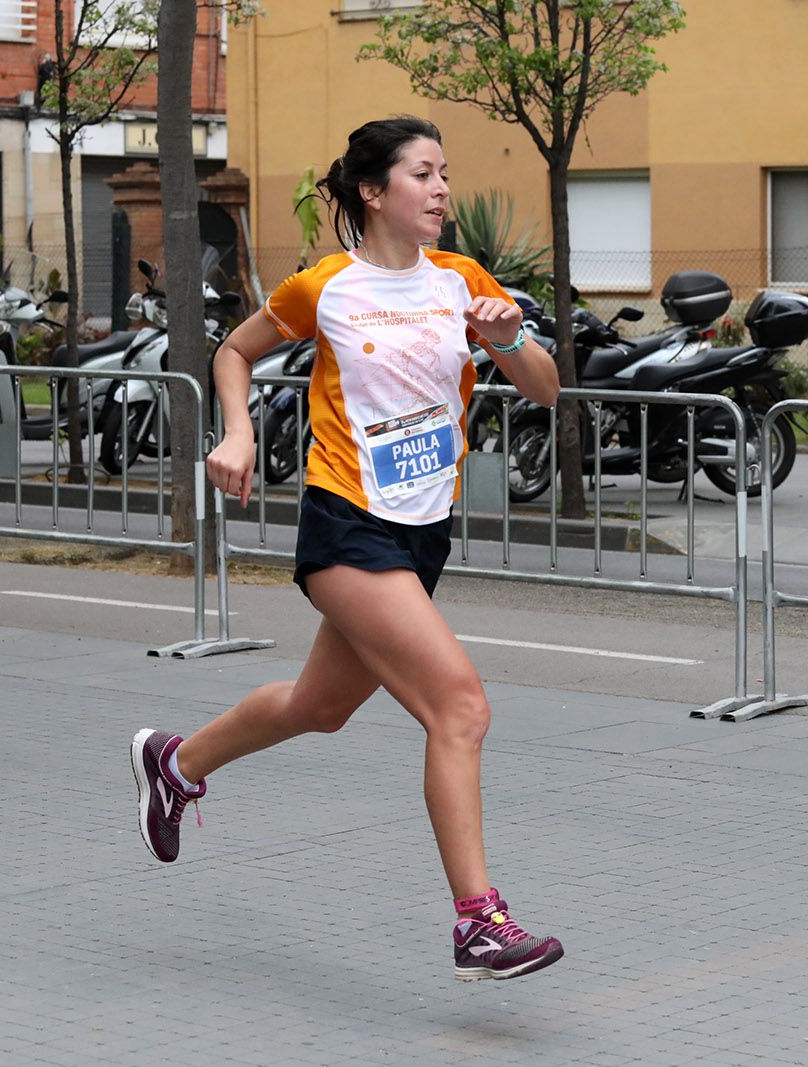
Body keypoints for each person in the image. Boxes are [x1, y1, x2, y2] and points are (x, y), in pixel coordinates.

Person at [130, 117, 566, 981]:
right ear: (374, 192)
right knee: (460, 708)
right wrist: (238, 433)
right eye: (423, 174)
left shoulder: (461, 283)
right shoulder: (325, 286)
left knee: (319, 705)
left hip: (421, 531)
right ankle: (479, 922)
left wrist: (509, 333)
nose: (441, 190)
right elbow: (235, 351)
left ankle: (174, 763)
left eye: (446, 174)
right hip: (346, 525)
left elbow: (548, 392)